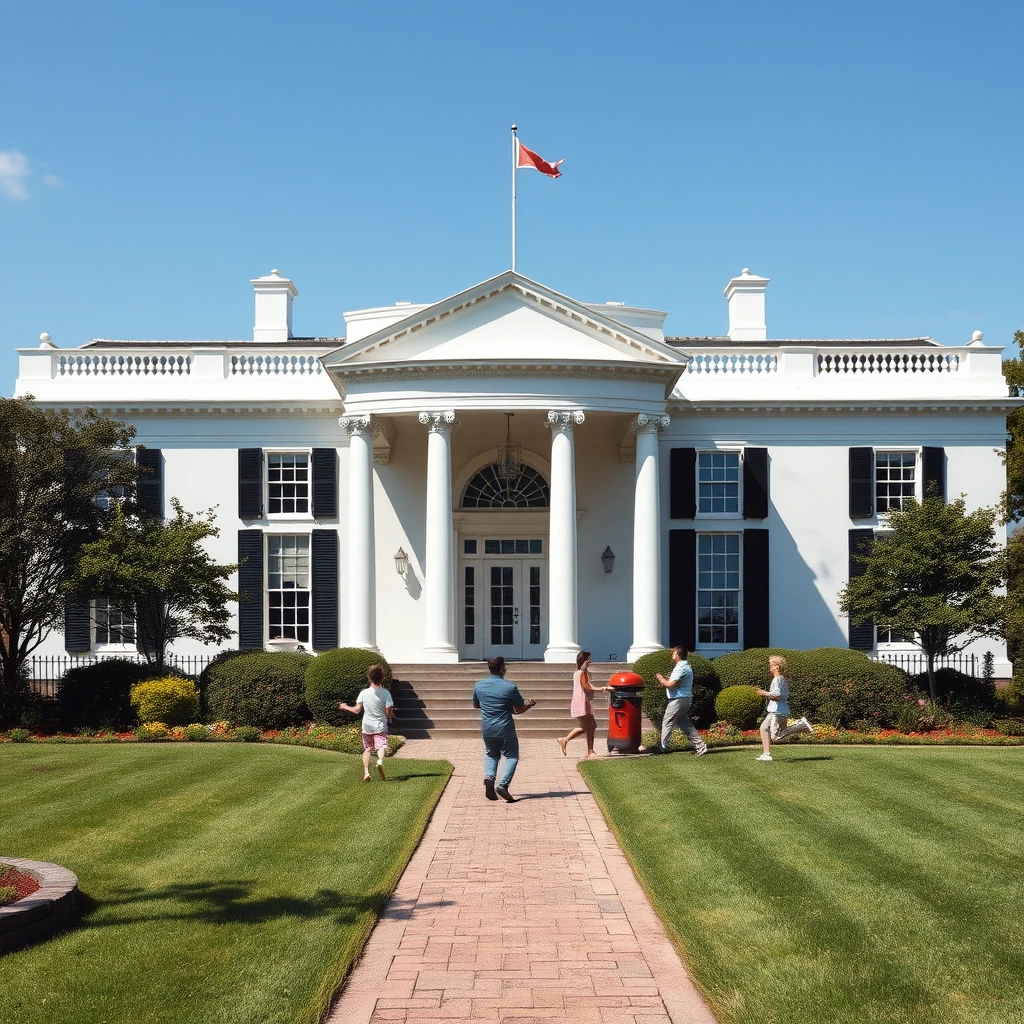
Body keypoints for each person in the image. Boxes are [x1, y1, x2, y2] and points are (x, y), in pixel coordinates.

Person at [472, 655, 536, 802]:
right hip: (505, 727)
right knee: (512, 756)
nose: (506, 668)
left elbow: (476, 705)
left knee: (491, 754)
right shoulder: (510, 687)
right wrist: (530, 704)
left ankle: (489, 777)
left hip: (487, 726)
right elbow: (519, 709)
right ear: (501, 668)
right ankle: (503, 784)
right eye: (505, 665)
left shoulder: (479, 685)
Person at [339, 664, 394, 782]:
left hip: (367, 725)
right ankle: (379, 762)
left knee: (367, 749)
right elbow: (388, 708)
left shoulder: (364, 693)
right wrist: (389, 717)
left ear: (370, 677)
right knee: (381, 746)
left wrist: (345, 707)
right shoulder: (386, 693)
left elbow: (356, 710)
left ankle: (366, 772)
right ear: (382, 678)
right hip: (380, 725)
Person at [754, 654, 813, 761]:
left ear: (777, 667)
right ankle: (766, 754)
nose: (770, 667)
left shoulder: (777, 680)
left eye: (772, 665)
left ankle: (801, 725)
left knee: (775, 736)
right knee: (763, 728)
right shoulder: (781, 679)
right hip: (778, 711)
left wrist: (764, 693)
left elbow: (777, 695)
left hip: (777, 711)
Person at [653, 645, 707, 755]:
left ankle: (662, 747)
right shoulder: (684, 666)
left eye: (673, 653)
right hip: (683, 699)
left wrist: (661, 679)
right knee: (685, 724)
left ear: (677, 655)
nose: (672, 655)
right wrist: (666, 683)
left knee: (667, 721)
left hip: (678, 700)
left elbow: (671, 684)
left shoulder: (681, 667)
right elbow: (675, 684)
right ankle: (701, 747)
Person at [558, 651, 609, 758]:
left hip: (581, 700)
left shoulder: (578, 673)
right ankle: (565, 739)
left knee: (592, 725)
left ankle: (590, 751)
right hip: (582, 701)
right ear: (585, 660)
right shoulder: (582, 673)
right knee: (585, 726)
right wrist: (604, 688)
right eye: (589, 659)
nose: (591, 661)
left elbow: (587, 686)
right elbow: (587, 687)